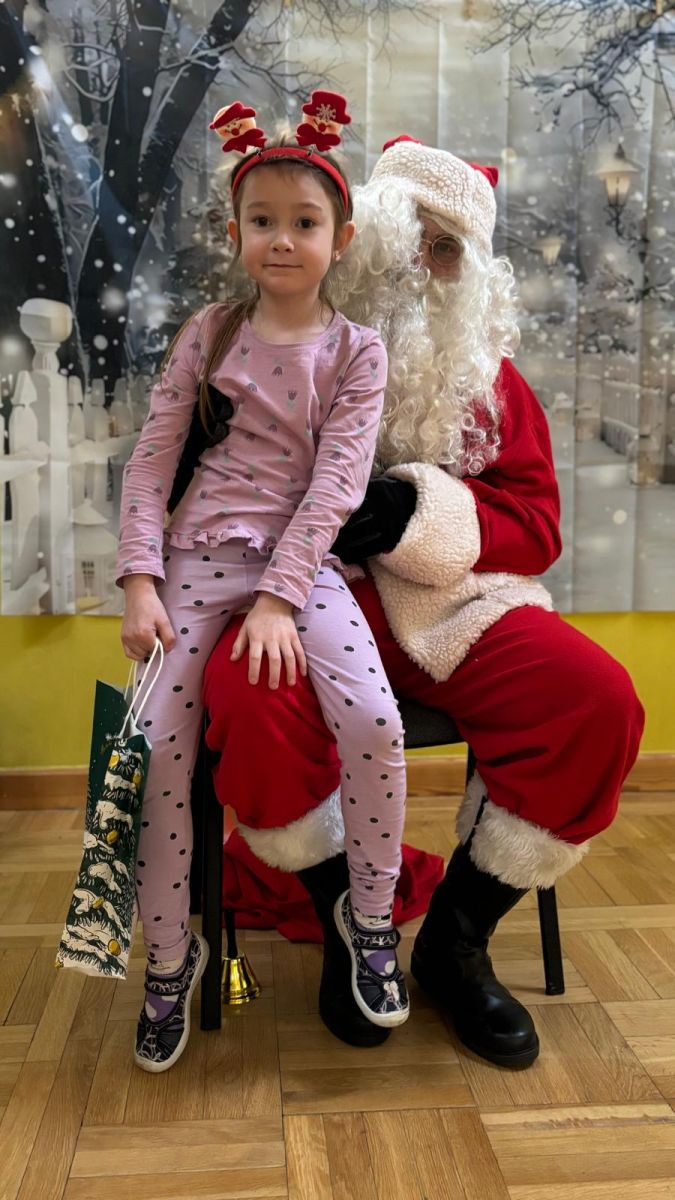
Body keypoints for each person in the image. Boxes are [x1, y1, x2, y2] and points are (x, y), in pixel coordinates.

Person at [201, 135, 645, 1066]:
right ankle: (345, 920)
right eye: (410, 236)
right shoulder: (273, 340)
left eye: (445, 250)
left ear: (469, 274)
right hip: (301, 599)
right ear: (364, 236)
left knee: (595, 703)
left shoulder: (488, 382)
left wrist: (416, 512)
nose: (419, 263)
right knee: (248, 690)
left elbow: (536, 525)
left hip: (455, 608)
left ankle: (456, 940)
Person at [117, 94, 413, 1074]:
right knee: (157, 752)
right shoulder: (209, 333)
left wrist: (283, 597)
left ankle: (369, 914)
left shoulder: (356, 352)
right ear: (235, 232)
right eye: (262, 221)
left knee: (373, 720)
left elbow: (337, 484)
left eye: (304, 222)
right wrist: (140, 580)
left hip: (302, 567)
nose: (282, 240)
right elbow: (152, 459)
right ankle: (171, 956)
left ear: (339, 238)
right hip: (195, 564)